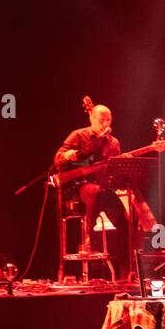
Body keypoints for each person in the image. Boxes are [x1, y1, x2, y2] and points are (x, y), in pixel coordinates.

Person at [53, 101, 129, 273]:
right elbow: (58, 158)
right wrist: (67, 155)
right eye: (101, 120)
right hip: (78, 186)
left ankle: (126, 267)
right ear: (91, 118)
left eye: (108, 120)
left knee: (125, 220)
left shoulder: (114, 143)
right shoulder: (79, 135)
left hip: (104, 188)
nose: (105, 124)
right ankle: (88, 237)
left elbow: (115, 168)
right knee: (94, 192)